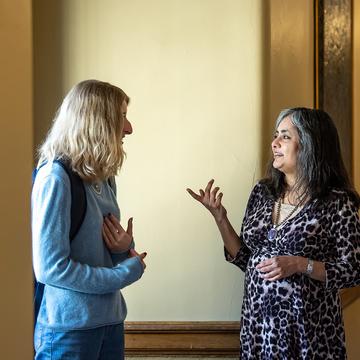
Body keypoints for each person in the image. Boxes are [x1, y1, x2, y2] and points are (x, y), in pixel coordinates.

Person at [187, 107, 360, 359]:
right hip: (258, 327)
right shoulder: (263, 192)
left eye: (285, 136)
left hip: (307, 334)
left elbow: (354, 269)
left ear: (310, 143)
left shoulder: (337, 201)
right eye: (275, 135)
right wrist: (220, 218)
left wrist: (301, 264)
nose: (275, 143)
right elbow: (247, 260)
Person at [32, 79, 147, 360]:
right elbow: (50, 269)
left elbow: (99, 255)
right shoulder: (55, 178)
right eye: (122, 116)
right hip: (68, 332)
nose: (129, 128)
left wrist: (122, 250)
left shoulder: (104, 177)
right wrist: (124, 273)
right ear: (98, 121)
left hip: (110, 323)